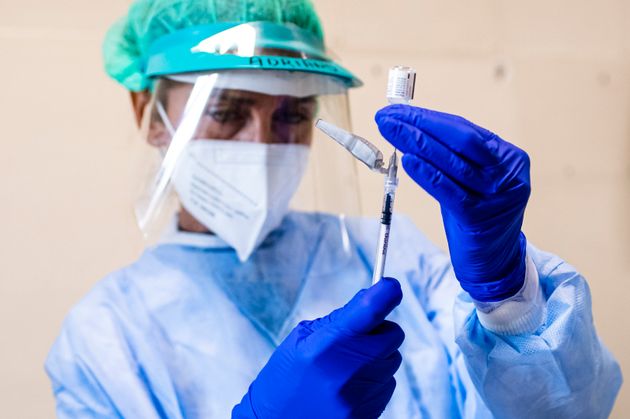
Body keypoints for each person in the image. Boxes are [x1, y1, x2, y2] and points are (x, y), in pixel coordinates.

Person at [45, 0, 622, 418]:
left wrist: (507, 299)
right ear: (148, 109)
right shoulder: (106, 337)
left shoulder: (393, 259)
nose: (262, 143)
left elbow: (567, 408)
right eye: (224, 110)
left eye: (292, 115)